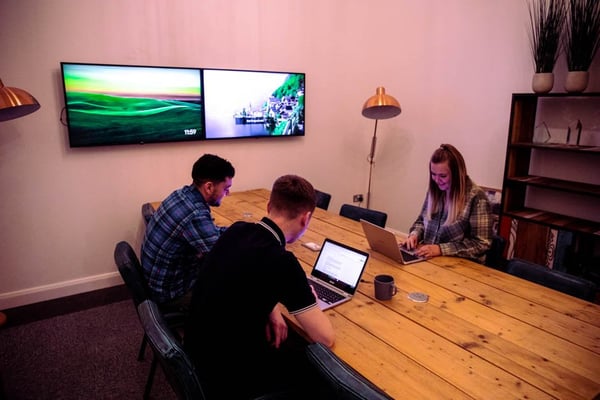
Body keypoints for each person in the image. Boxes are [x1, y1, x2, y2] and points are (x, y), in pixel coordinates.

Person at [184, 174, 335, 399]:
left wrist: (272, 307)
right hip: (227, 378)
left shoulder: (237, 230)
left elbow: (244, 279)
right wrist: (309, 297)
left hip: (196, 354)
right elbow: (325, 338)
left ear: (269, 206)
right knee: (319, 374)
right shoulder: (283, 262)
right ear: (306, 218)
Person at [141, 154, 235, 308]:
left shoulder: (182, 195)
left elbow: (210, 234)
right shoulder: (195, 214)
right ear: (209, 187)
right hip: (170, 294)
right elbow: (223, 255)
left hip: (156, 281)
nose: (228, 193)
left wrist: (237, 231)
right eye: (226, 188)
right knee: (238, 287)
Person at [404, 144, 492, 262]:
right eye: (433, 174)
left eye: (443, 176)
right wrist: (414, 235)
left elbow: (481, 244)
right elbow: (421, 221)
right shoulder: (435, 190)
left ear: (457, 174)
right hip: (428, 259)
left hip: (459, 265)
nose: (436, 180)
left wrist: (441, 249)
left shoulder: (476, 197)